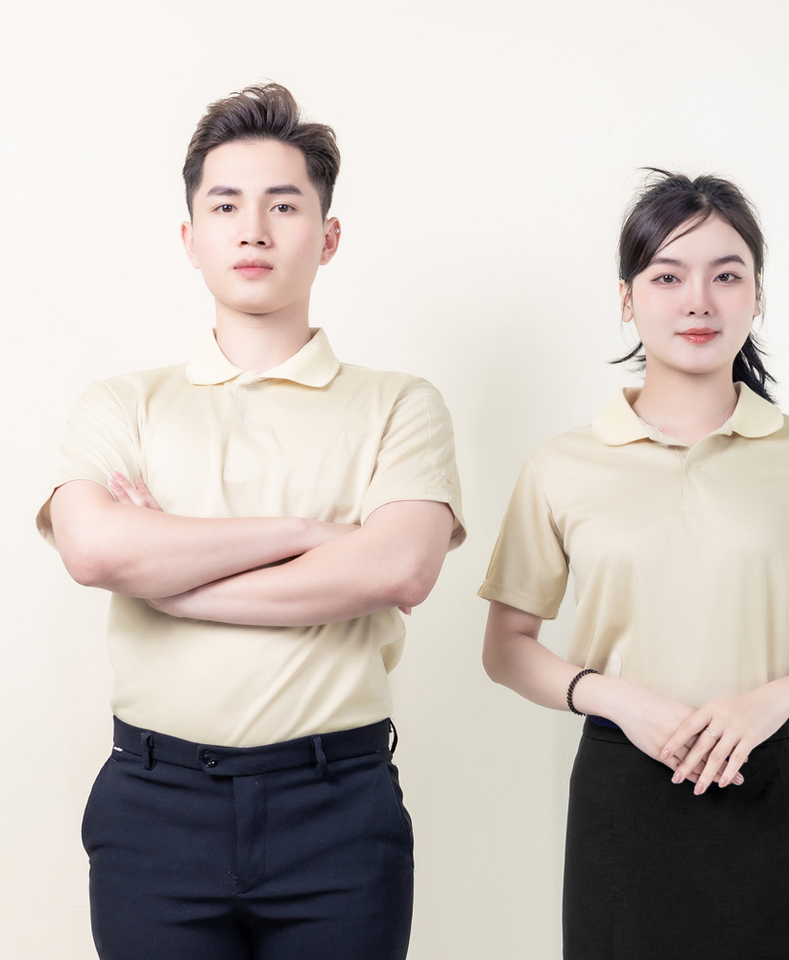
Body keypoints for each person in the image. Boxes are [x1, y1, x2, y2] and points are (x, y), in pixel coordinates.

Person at [37, 83, 465, 960]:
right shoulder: (124, 404)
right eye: (226, 205)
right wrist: (309, 535)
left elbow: (399, 569)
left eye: (284, 205)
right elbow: (94, 550)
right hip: (154, 807)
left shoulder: (400, 404)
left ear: (328, 236)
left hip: (337, 808)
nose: (254, 230)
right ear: (190, 237)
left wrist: (174, 581)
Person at [478, 170, 789, 960]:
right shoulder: (561, 465)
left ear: (757, 295)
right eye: (668, 276)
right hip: (624, 789)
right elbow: (506, 646)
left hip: (773, 785)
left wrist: (774, 700)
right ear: (627, 298)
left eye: (727, 276)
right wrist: (612, 699)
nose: (698, 302)